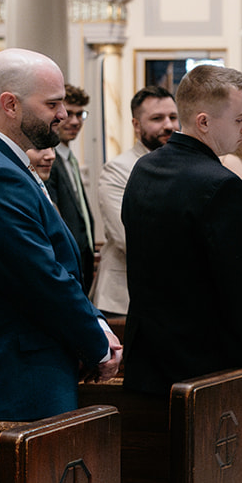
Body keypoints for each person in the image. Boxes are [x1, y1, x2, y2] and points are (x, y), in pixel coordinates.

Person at [0, 48, 121, 418]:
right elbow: (38, 274)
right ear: (10, 104)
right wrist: (96, 343)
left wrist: (96, 323)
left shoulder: (6, 160)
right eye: (53, 104)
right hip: (18, 370)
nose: (63, 115)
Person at [122, 65, 242, 395]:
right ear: (203, 122)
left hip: (148, 357)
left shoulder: (145, 167)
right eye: (239, 118)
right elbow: (241, 289)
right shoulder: (222, 185)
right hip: (206, 366)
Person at [93, 85, 178, 326]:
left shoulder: (187, 166)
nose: (169, 125)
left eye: (173, 117)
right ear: (136, 125)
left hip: (174, 296)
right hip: (125, 298)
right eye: (157, 118)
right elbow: (127, 238)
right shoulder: (118, 170)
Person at [48, 82, 96, 292]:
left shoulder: (69, 158)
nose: (75, 121)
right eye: (69, 114)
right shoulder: (47, 160)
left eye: (80, 115)